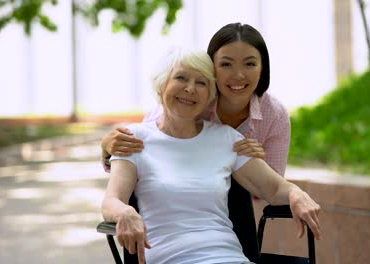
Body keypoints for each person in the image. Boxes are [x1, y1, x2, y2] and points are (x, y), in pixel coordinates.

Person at [103, 48, 321, 264]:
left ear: (210, 96)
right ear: (161, 86)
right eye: (181, 78)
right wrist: (124, 212)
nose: (190, 88)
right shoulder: (134, 139)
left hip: (229, 257)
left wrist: (295, 193)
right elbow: (112, 200)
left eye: (202, 82)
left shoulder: (226, 139)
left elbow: (273, 188)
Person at [101, 22, 290, 177]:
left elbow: (272, 193)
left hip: (242, 216)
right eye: (226, 64)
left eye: (250, 64)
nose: (238, 75)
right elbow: (143, 153)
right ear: (210, 68)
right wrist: (109, 148)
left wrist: (256, 164)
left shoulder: (275, 115)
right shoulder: (188, 102)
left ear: (262, 68)